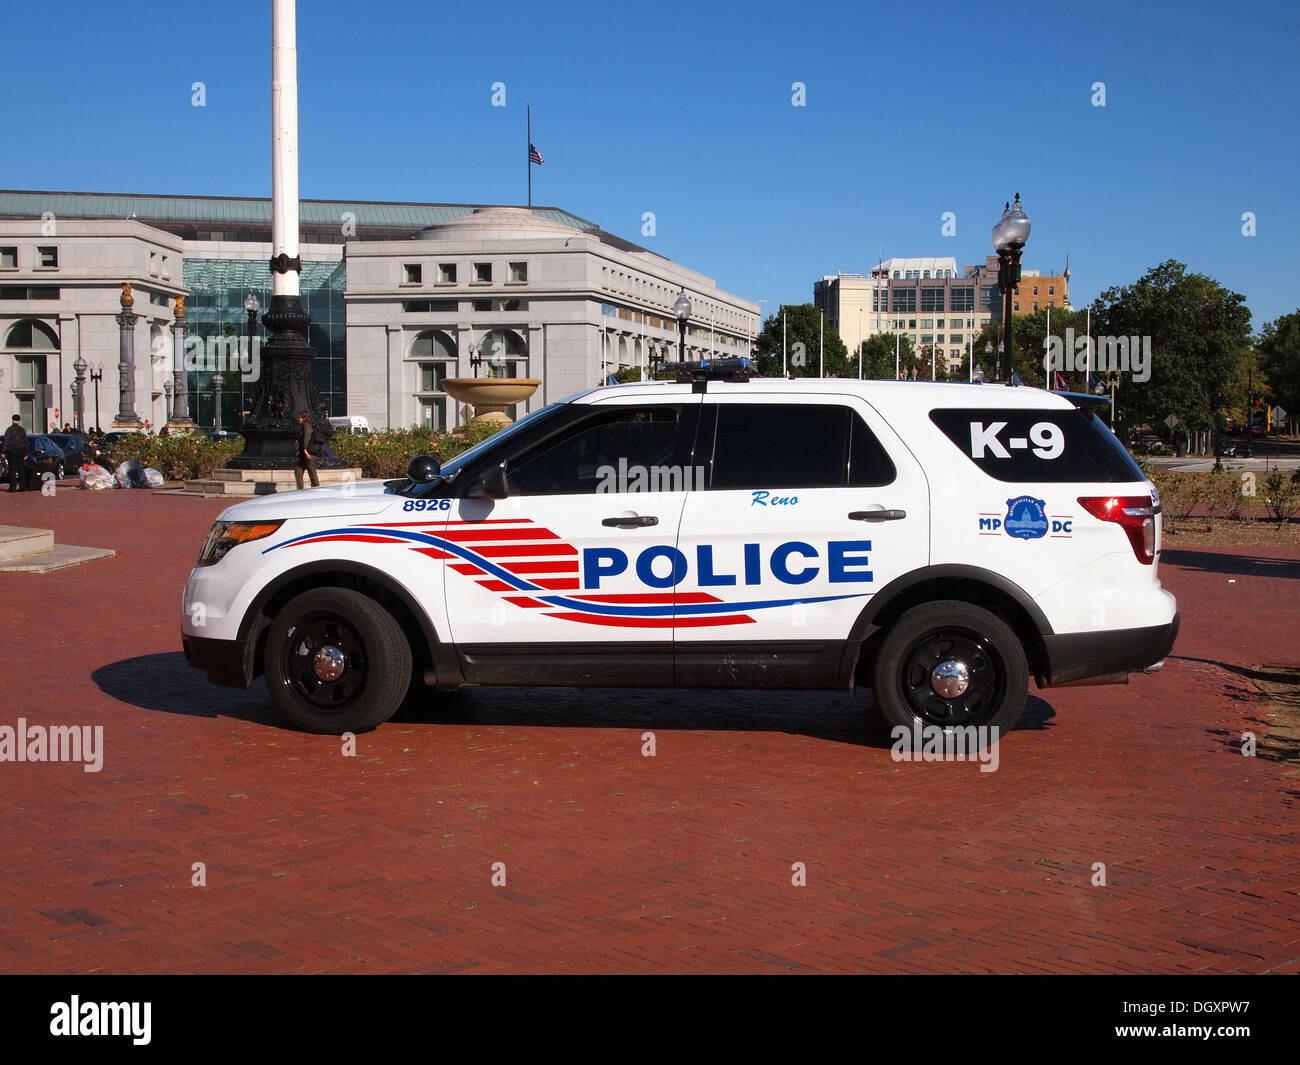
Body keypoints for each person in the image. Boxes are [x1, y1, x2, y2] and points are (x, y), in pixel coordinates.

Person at [295, 409, 320, 490]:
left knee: (312, 473)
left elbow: (307, 438)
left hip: (308, 453)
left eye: (299, 417)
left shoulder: (306, 425)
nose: (298, 419)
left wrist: (305, 450)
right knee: (298, 471)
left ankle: (316, 489)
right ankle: (300, 490)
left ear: (303, 418)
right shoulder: (303, 426)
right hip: (303, 454)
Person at [4, 414, 28, 492]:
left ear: (12, 420)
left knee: (12, 470)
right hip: (21, 451)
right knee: (21, 470)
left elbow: (6, 441)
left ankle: (13, 487)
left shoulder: (9, 430)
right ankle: (23, 487)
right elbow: (25, 442)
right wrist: (26, 453)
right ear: (19, 421)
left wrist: (3, 451)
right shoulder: (22, 430)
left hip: (12, 451)